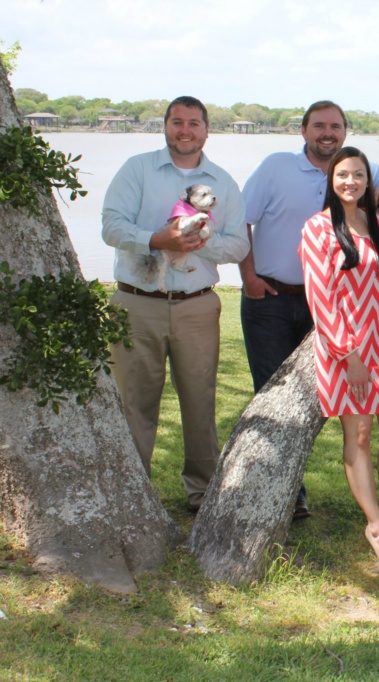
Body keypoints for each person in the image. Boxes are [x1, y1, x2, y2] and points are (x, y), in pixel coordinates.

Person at [241, 100, 379, 519]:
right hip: (309, 320)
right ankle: (323, 507)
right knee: (323, 421)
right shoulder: (303, 205)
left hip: (376, 332)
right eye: (319, 125)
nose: (351, 180)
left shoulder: (371, 208)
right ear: (303, 130)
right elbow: (242, 224)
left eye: (335, 126)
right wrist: (348, 356)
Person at [101, 96, 249, 512]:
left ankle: (202, 492)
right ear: (165, 125)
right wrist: (156, 239)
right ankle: (133, 493)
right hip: (136, 303)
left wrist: (197, 240)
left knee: (200, 400)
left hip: (196, 306)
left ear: (206, 130)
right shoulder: (137, 170)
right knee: (134, 403)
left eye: (194, 123)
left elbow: (239, 244)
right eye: (177, 122)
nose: (185, 130)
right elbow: (111, 226)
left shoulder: (221, 182)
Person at [298, 147, 379, 572]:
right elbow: (320, 296)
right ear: (331, 180)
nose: (350, 182)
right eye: (343, 174)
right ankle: (377, 526)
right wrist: (347, 355)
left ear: (368, 180)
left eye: (358, 175)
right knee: (360, 434)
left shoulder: (375, 222)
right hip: (346, 348)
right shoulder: (316, 228)